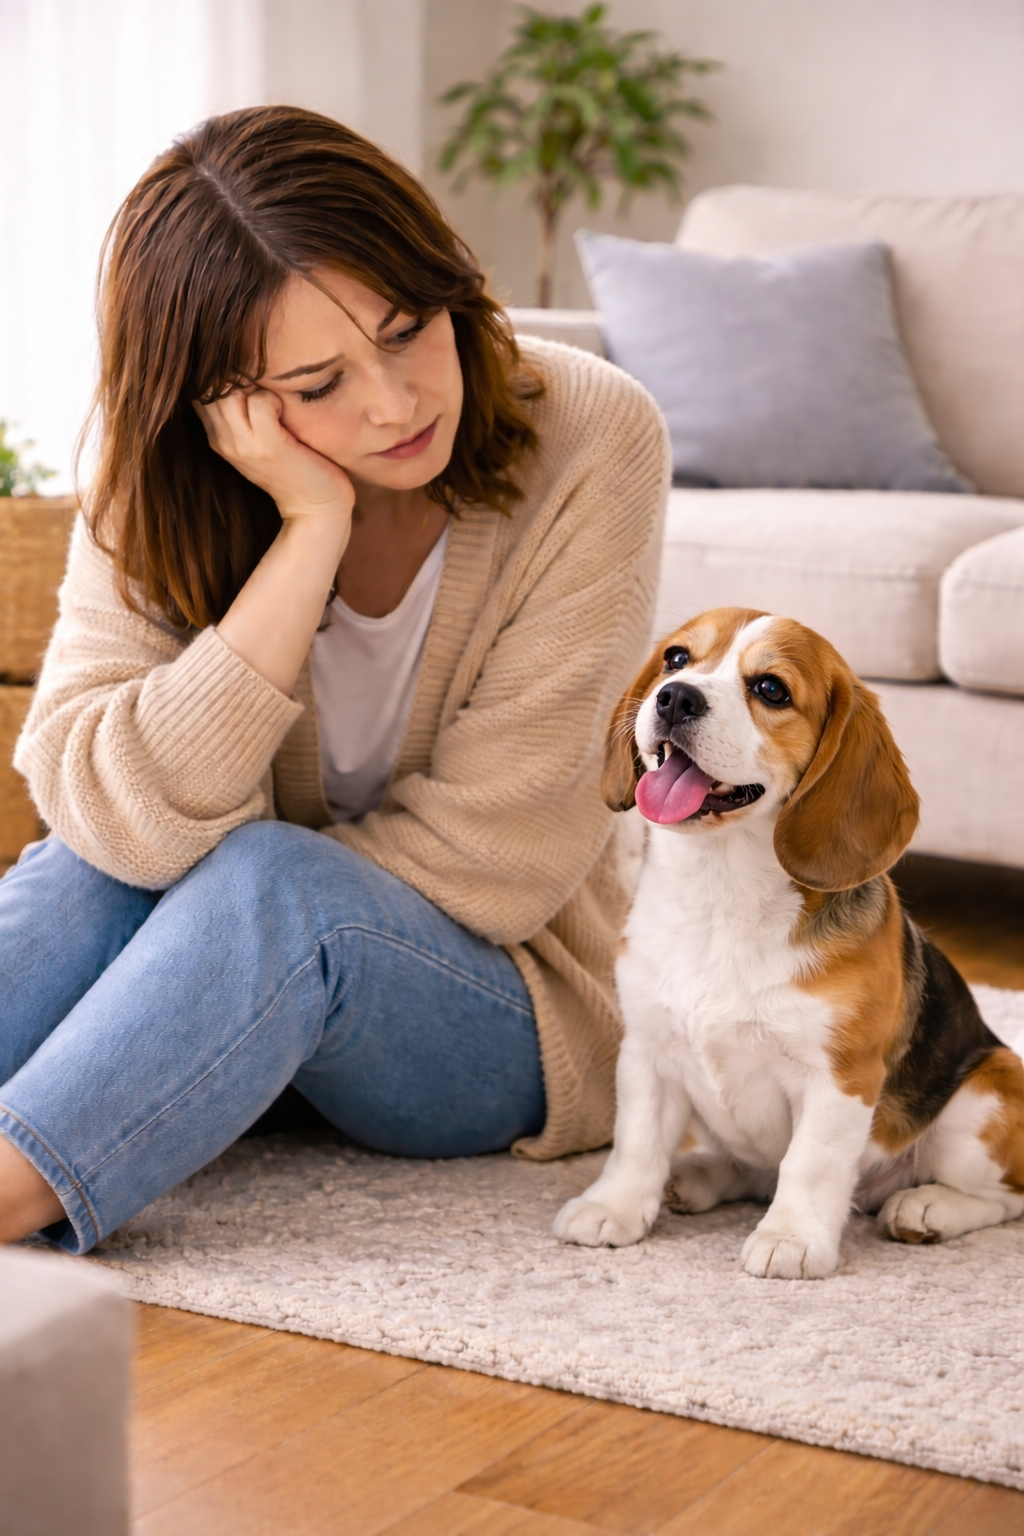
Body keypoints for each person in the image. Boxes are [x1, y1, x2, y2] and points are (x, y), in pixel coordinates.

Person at [0, 106, 668, 1254]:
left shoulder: (594, 436)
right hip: (239, 984)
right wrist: (307, 530)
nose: (398, 402)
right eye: (318, 384)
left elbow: (501, 861)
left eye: (408, 329)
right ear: (222, 407)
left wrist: (210, 910)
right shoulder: (153, 466)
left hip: (501, 1009)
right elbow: (96, 806)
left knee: (270, 884)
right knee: (89, 875)